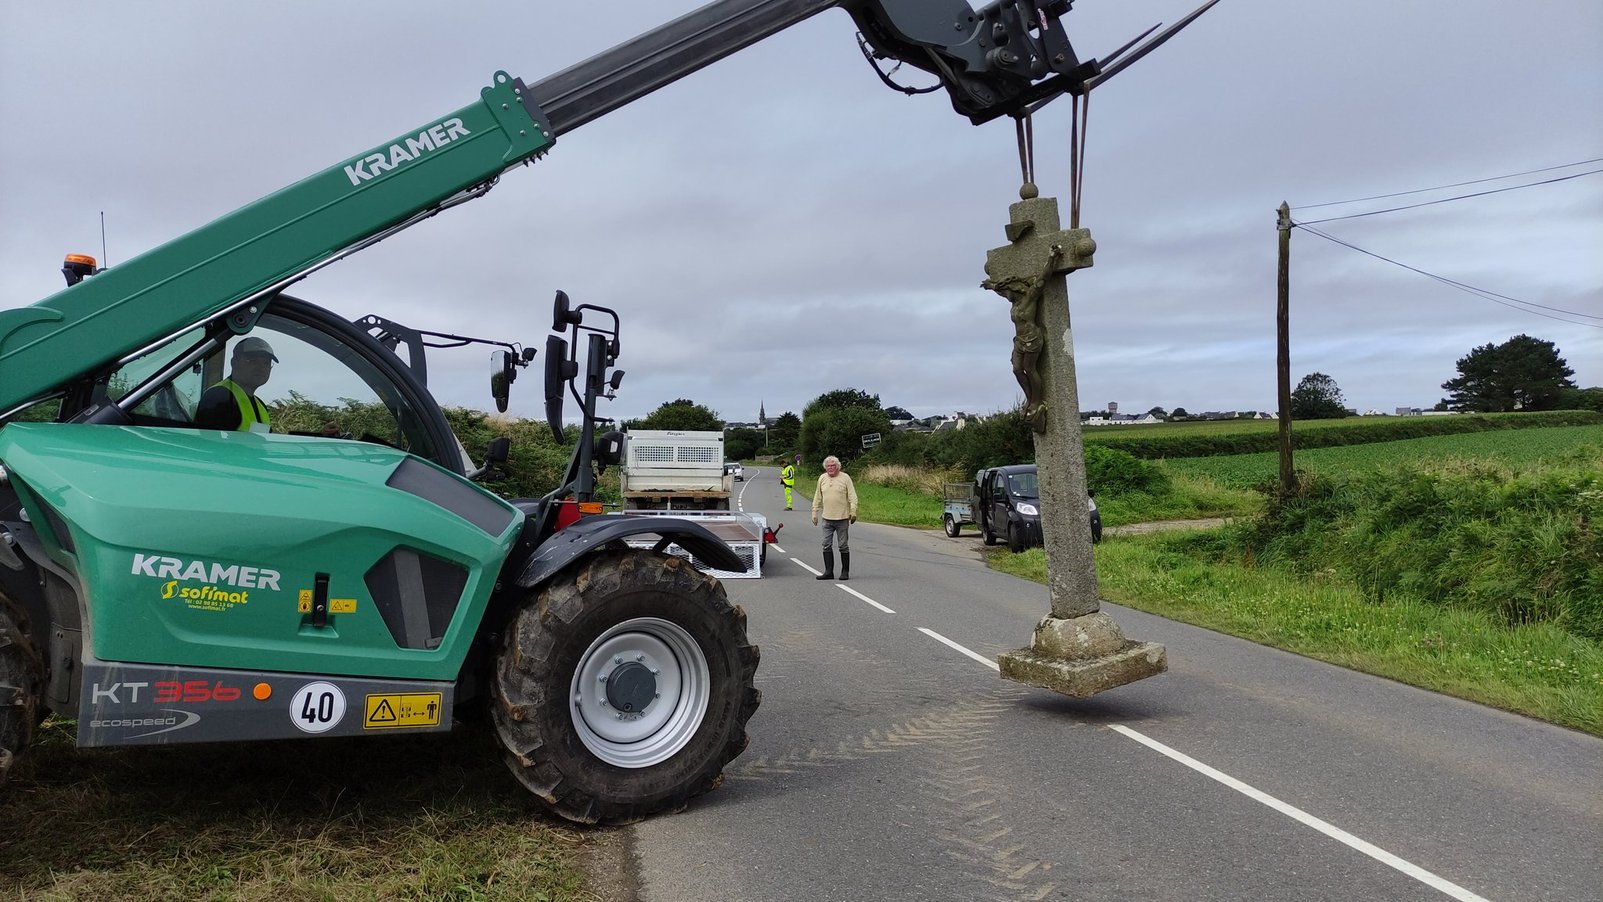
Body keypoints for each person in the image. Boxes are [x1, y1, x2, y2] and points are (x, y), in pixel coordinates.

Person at [195, 336, 277, 432]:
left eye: (266, 363)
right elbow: (210, 443)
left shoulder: (260, 405)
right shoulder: (219, 397)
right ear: (234, 362)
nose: (260, 367)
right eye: (252, 361)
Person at [810, 455, 858, 581]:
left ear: (838, 467)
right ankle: (828, 572)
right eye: (828, 466)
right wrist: (814, 513)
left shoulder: (845, 478)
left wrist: (853, 511)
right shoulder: (822, 478)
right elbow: (817, 496)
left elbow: (852, 496)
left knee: (843, 545)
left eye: (833, 466)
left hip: (842, 518)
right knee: (826, 545)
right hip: (827, 518)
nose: (830, 468)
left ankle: (845, 571)